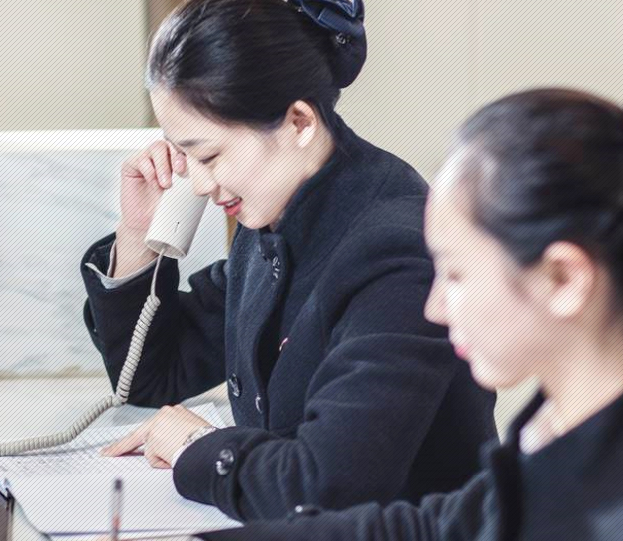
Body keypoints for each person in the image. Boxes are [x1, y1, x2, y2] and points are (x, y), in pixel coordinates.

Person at [80, 0, 495, 521]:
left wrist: (194, 447)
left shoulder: (396, 250)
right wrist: (140, 233)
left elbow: (326, 485)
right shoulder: (272, 216)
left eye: (209, 156)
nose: (199, 184)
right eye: (183, 155)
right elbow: (151, 376)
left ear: (298, 121)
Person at [200, 88, 623, 539]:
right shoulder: (556, 430)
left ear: (564, 279)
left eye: (455, 274)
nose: (435, 308)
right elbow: (434, 528)